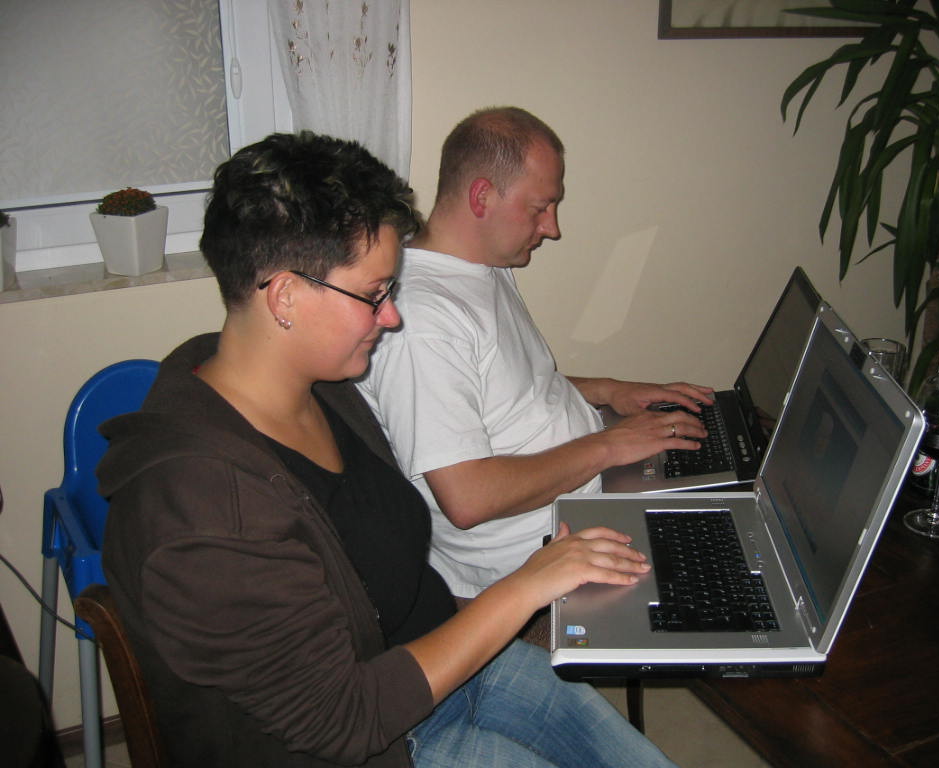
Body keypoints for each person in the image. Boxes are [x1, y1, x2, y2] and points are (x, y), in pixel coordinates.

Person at [97, 131, 679, 768]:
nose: (392, 318)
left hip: (443, 660)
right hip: (375, 742)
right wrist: (527, 586)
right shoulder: (205, 512)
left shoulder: (322, 387)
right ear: (285, 297)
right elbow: (342, 720)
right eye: (374, 295)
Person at [357, 106, 714, 600]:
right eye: (540, 208)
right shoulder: (423, 322)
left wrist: (609, 391)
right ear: (482, 197)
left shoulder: (482, 265)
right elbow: (468, 499)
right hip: (542, 551)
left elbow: (505, 389)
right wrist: (611, 446)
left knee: (741, 472)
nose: (552, 227)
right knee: (733, 577)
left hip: (591, 487)